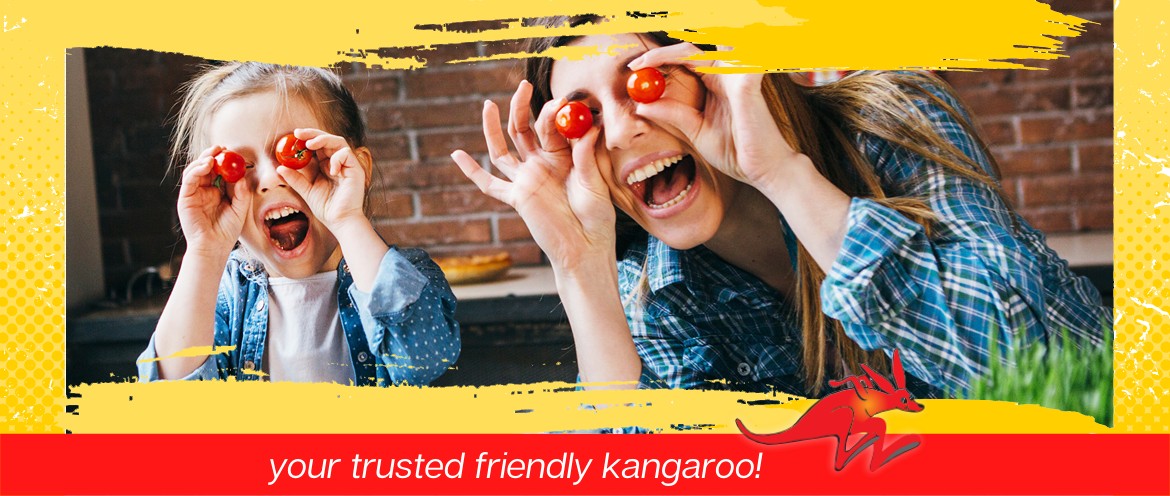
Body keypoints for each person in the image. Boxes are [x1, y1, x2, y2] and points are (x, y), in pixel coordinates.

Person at [450, 20, 1108, 397]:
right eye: (582, 116)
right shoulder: (655, 293)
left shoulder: (891, 120)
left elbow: (1028, 375)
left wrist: (780, 173)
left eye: (645, 80)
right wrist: (579, 266)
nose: (620, 132)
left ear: (717, 71)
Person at [138, 62, 460, 386]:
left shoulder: (409, 274)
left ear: (354, 168)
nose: (267, 180)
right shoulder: (228, 295)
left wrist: (347, 219)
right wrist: (204, 252)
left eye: (295, 152)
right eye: (240, 166)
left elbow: (424, 361)